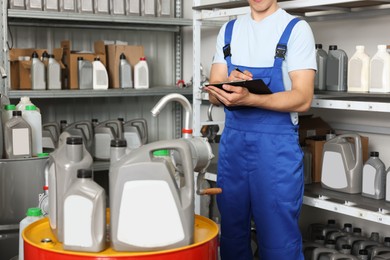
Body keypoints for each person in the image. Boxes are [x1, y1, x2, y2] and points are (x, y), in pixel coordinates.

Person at [203, 0, 316, 259]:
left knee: (278, 241)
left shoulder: (295, 28)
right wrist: (226, 85)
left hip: (275, 152)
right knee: (231, 235)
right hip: (233, 147)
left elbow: (303, 97)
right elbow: (212, 93)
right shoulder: (229, 30)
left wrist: (250, 98)